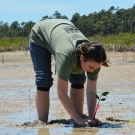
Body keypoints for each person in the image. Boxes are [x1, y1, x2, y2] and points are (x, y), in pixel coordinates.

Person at [29, 19, 109, 127]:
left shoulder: (95, 59)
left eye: (96, 68)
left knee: (79, 79)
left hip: (63, 30)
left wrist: (91, 117)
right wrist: (79, 119)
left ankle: (77, 117)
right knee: (44, 79)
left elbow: (91, 91)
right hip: (40, 36)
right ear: (82, 57)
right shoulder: (66, 56)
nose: (92, 70)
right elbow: (62, 92)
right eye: (91, 67)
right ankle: (42, 121)